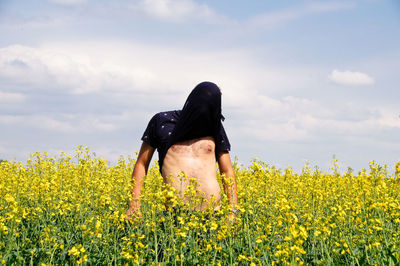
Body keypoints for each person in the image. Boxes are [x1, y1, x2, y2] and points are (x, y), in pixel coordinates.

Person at [126, 81, 238, 219]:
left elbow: (227, 171)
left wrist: (233, 212)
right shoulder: (162, 122)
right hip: (174, 217)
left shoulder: (214, 126)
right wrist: (134, 206)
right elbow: (142, 164)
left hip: (213, 215)